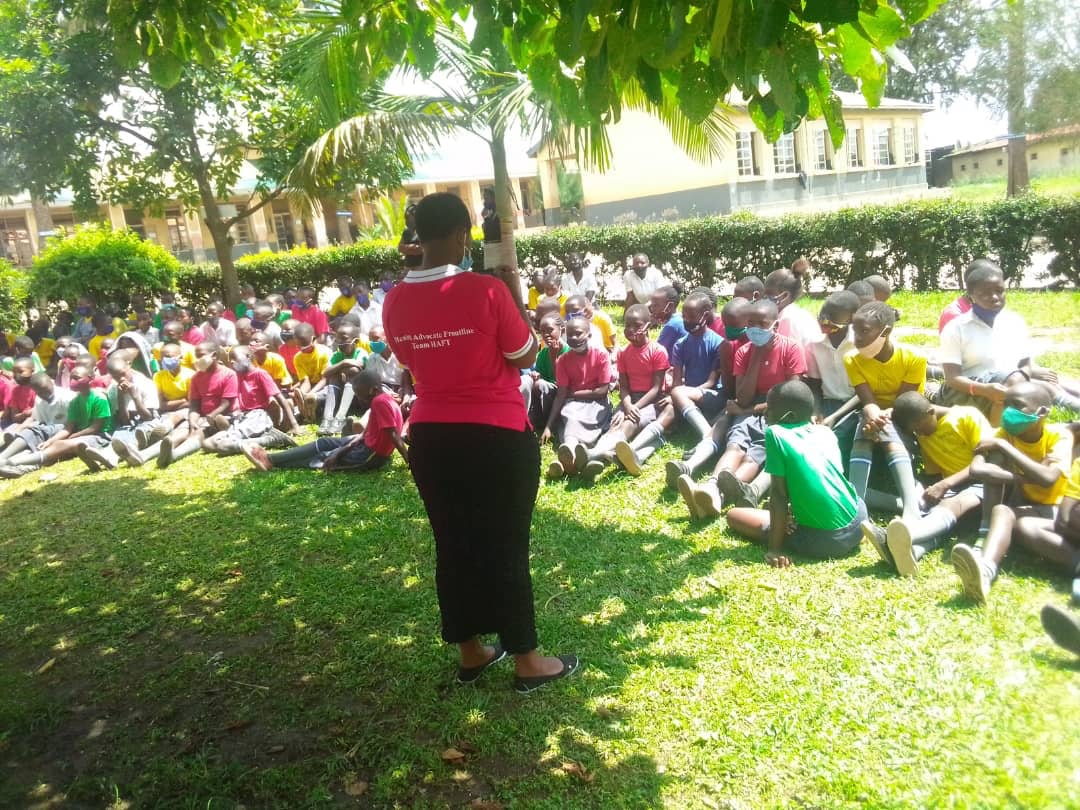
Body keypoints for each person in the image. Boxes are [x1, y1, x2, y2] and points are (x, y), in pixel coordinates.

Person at [382, 192, 577, 691]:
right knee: (505, 545)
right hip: (496, 436)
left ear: (419, 237)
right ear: (461, 235)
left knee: (453, 543)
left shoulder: (395, 300)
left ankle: (472, 652)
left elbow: (409, 362)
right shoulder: (486, 291)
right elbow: (525, 356)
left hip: (431, 437)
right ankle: (528, 661)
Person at [679, 299, 806, 519]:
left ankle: (721, 494)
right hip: (751, 404)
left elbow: (792, 395)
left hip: (779, 411)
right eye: (751, 324)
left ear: (775, 326)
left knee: (755, 454)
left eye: (762, 324)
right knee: (735, 446)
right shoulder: (745, 352)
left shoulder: (791, 349)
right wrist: (756, 357)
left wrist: (751, 409)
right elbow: (743, 397)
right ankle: (712, 488)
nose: (755, 329)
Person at [954, 383, 1073, 602]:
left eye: (1017, 405)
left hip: (1062, 511)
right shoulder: (1004, 433)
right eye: (1006, 404)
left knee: (1025, 527)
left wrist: (1003, 445)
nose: (1008, 411)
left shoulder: (1058, 436)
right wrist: (1026, 477)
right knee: (1003, 511)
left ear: (1042, 412)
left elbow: (1048, 479)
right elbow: (977, 469)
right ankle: (985, 570)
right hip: (1031, 508)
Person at [725, 380, 867, 566]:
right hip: (859, 518)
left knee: (734, 515)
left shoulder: (775, 433)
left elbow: (778, 495)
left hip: (829, 540)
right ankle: (854, 536)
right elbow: (826, 480)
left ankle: (786, 531)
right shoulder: (825, 432)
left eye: (771, 409)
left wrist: (775, 549)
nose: (765, 413)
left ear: (789, 416)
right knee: (780, 513)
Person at [866, 391, 991, 576]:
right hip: (954, 488)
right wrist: (930, 492)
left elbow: (987, 460)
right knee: (935, 510)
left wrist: (946, 484)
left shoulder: (967, 416)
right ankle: (912, 554)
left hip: (986, 483)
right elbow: (933, 474)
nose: (920, 433)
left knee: (956, 503)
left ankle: (894, 538)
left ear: (931, 411)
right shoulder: (925, 432)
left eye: (921, 427)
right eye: (915, 431)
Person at [939, 260, 1080, 419]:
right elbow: (952, 379)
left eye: (999, 291)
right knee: (1042, 390)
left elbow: (1025, 364)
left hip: (1010, 383)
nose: (994, 297)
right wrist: (984, 390)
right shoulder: (956, 328)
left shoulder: (1014, 321)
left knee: (1047, 387)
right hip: (969, 390)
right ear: (971, 296)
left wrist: (1022, 379)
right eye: (985, 293)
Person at [845, 302, 926, 522]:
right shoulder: (852, 359)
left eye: (864, 331)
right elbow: (867, 400)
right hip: (873, 414)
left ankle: (909, 507)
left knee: (882, 427)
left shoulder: (913, 358)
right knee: (867, 426)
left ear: (886, 332)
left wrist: (880, 417)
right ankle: (858, 504)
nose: (857, 338)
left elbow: (903, 403)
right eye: (855, 331)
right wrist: (873, 414)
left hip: (905, 416)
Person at [243, 370, 407, 474]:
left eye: (359, 394)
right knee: (325, 442)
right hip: (365, 444)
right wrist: (343, 449)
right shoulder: (382, 398)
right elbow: (365, 434)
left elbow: (393, 435)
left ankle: (272, 461)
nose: (358, 398)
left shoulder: (379, 403)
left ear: (372, 390)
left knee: (324, 457)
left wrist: (409, 461)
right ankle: (271, 458)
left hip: (370, 455)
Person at [0, 362, 113, 478]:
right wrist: (50, 441)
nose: (72, 381)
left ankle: (15, 464)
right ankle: (7, 462)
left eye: (77, 378)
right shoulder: (75, 401)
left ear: (91, 378)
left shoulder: (96, 398)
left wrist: (70, 437)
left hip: (98, 435)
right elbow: (68, 427)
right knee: (47, 441)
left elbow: (95, 428)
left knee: (60, 445)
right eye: (71, 378)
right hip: (69, 433)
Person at [542, 316, 614, 481]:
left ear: (589, 335)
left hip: (597, 404)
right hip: (573, 405)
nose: (573, 338)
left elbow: (602, 391)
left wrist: (573, 393)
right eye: (570, 334)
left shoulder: (601, 355)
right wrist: (548, 426)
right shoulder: (563, 361)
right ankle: (573, 454)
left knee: (589, 422)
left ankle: (568, 462)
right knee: (571, 417)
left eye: (578, 334)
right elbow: (561, 395)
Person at [608, 305, 674, 476]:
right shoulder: (623, 353)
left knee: (631, 421)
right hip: (630, 399)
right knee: (614, 422)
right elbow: (624, 386)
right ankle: (596, 456)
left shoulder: (657, 351)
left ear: (647, 325)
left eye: (636, 325)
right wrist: (627, 405)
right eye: (627, 325)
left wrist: (633, 408)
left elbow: (656, 388)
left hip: (651, 400)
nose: (630, 330)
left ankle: (614, 452)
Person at [157, 341, 238, 468]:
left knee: (199, 433)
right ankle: (156, 450)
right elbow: (194, 404)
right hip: (203, 416)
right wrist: (192, 420)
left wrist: (211, 415)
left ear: (214, 355)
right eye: (196, 356)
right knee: (185, 430)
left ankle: (174, 455)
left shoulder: (229, 374)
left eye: (201, 356)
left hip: (224, 416)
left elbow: (226, 403)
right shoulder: (196, 377)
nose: (198, 360)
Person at [199, 346, 293, 455]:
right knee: (207, 444)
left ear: (248, 357)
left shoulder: (260, 374)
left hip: (258, 416)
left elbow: (279, 397)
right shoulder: (237, 376)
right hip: (242, 416)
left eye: (235, 358)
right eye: (231, 360)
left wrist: (293, 423)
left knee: (223, 447)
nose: (232, 362)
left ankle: (273, 439)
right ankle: (239, 433)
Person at [804, 291, 861, 468]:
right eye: (822, 316)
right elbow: (814, 384)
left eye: (831, 319)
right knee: (806, 436)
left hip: (856, 404)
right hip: (827, 403)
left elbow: (864, 391)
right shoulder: (814, 343)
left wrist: (835, 417)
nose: (824, 322)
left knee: (837, 437)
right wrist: (815, 411)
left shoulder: (859, 344)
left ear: (850, 320)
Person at [116, 342, 195, 467]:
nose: (165, 360)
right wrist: (182, 401)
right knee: (157, 426)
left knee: (176, 430)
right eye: (163, 357)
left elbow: (191, 403)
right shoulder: (158, 376)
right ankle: (131, 449)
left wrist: (178, 403)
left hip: (187, 412)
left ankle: (148, 448)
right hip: (165, 412)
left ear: (181, 357)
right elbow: (161, 405)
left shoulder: (190, 375)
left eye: (169, 357)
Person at [80, 355, 160, 471]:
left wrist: (135, 397)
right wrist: (121, 397)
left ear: (129, 366)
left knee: (140, 430)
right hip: (129, 421)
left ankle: (129, 452)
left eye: (123, 374)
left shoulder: (145, 383)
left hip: (148, 419)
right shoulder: (113, 389)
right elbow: (124, 420)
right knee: (121, 431)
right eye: (117, 377)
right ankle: (109, 456)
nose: (122, 378)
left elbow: (148, 417)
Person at [0, 372, 75, 467]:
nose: (44, 394)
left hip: (64, 432)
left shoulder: (67, 398)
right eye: (39, 392)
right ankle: (5, 460)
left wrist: (50, 441)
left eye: (46, 390)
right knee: (29, 435)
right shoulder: (39, 399)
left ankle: (6, 460)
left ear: (52, 383)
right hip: (46, 432)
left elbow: (70, 427)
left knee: (34, 432)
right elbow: (36, 419)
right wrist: (20, 429)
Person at [314, 324, 368, 435]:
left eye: (344, 338)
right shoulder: (337, 355)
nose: (340, 342)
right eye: (338, 338)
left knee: (350, 377)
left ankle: (340, 418)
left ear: (355, 341)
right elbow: (326, 373)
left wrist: (340, 370)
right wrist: (344, 363)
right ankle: (327, 419)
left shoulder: (361, 353)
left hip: (359, 396)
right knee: (333, 377)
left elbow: (356, 369)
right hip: (340, 393)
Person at [764, 267, 821, 350]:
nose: (765, 299)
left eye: (768, 295)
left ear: (784, 296)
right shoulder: (804, 314)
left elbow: (783, 355)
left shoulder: (786, 320)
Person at [529, 313, 568, 432]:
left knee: (540, 385)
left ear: (562, 330)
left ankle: (550, 421)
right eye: (542, 331)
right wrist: (536, 375)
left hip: (565, 393)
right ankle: (537, 417)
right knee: (533, 383)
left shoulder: (569, 352)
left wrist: (553, 357)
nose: (546, 334)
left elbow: (561, 382)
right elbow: (540, 373)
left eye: (550, 330)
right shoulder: (542, 353)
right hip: (547, 393)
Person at [289, 322, 332, 421]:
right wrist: (303, 393)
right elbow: (305, 380)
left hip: (326, 384)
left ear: (313, 339)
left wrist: (311, 393)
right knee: (297, 394)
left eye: (305, 346)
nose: (301, 349)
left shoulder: (325, 352)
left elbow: (325, 378)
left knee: (323, 394)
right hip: (312, 385)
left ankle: (311, 406)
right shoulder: (298, 358)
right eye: (298, 346)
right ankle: (304, 408)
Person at [1, 357, 36, 435]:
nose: (16, 375)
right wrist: (25, 414)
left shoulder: (39, 388)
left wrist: (26, 414)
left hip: (35, 424)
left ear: (32, 371)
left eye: (21, 371)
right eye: (14, 372)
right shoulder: (15, 390)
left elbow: (40, 413)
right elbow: (15, 417)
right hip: (17, 423)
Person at [649, 285, 686, 357]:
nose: (652, 309)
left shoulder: (671, 326)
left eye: (656, 306)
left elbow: (656, 352)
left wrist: (645, 329)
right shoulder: (679, 318)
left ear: (670, 306)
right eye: (652, 305)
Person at [398, 204, 424, 270]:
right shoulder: (406, 232)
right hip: (408, 267)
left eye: (409, 217)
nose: (407, 220)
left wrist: (407, 249)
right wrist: (412, 247)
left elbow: (421, 249)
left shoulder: (423, 231)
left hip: (421, 266)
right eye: (406, 217)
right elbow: (400, 248)